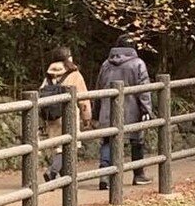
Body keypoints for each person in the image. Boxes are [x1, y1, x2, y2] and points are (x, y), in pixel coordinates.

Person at [96, 35, 155, 187]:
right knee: (137, 140)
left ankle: (105, 176)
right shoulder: (137, 63)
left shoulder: (106, 64)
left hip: (108, 108)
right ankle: (138, 175)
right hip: (132, 109)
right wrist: (146, 109)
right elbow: (144, 89)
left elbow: (99, 87)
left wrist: (97, 110)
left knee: (108, 141)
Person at [39, 47, 91, 181]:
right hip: (69, 114)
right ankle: (52, 171)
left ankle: (65, 178)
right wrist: (87, 117)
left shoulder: (48, 75)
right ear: (68, 58)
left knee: (58, 146)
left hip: (52, 116)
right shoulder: (74, 74)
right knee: (68, 146)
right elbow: (83, 99)